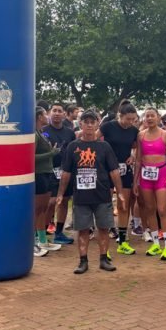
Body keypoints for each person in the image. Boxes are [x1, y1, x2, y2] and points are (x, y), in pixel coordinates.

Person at [56, 110, 122, 273]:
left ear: (97, 123)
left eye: (93, 122)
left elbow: (114, 170)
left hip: (102, 194)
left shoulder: (104, 146)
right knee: (83, 229)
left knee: (104, 228)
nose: (90, 125)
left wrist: (119, 192)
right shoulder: (73, 146)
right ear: (81, 124)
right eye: (86, 121)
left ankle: (104, 259)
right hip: (81, 196)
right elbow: (66, 172)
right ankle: (83, 261)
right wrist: (60, 193)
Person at [134, 107, 166, 260]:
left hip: (162, 174)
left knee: (162, 209)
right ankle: (155, 244)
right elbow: (138, 159)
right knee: (149, 209)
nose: (150, 119)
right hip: (145, 175)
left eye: (152, 116)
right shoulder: (140, 136)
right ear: (144, 119)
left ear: (158, 118)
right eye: (147, 116)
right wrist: (135, 181)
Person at [100, 102, 140, 255]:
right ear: (120, 116)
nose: (130, 122)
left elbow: (136, 147)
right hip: (107, 169)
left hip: (124, 170)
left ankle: (122, 241)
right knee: (106, 204)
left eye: (133, 119)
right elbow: (95, 142)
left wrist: (132, 156)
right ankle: (105, 243)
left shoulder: (134, 131)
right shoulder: (108, 127)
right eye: (128, 119)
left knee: (124, 204)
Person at [43, 104, 77, 245]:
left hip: (66, 171)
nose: (57, 113)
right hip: (49, 170)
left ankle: (59, 233)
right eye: (54, 111)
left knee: (64, 201)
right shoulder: (44, 131)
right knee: (49, 203)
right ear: (50, 113)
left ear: (64, 114)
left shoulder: (70, 132)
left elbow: (74, 151)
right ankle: (42, 232)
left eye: (59, 111)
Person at [34, 107, 62, 256]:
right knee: (36, 209)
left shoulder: (40, 132)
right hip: (39, 174)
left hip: (47, 173)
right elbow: (30, 157)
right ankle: (32, 243)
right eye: (45, 114)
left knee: (43, 209)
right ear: (39, 117)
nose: (47, 116)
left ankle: (42, 240)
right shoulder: (35, 134)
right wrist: (51, 153)